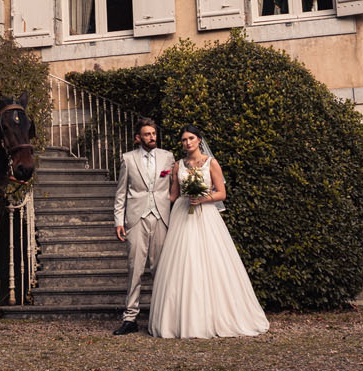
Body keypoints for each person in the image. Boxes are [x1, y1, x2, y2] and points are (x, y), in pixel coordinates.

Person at [147, 125, 269, 339]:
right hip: (182, 216)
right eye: (184, 140)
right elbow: (173, 194)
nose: (187, 143)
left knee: (210, 262)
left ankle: (216, 316)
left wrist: (203, 198)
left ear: (199, 140)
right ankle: (180, 319)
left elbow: (222, 193)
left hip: (206, 216)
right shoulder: (178, 166)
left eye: (191, 138)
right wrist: (150, 205)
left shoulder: (211, 163)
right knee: (182, 263)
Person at [110, 118, 175, 335]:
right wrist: (119, 221)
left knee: (160, 269)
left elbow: (175, 185)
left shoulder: (168, 157)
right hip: (136, 218)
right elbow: (121, 193)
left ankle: (161, 317)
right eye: (147, 134)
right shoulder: (128, 159)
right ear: (138, 137)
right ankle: (130, 318)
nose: (152, 137)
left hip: (161, 217)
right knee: (135, 269)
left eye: (154, 133)